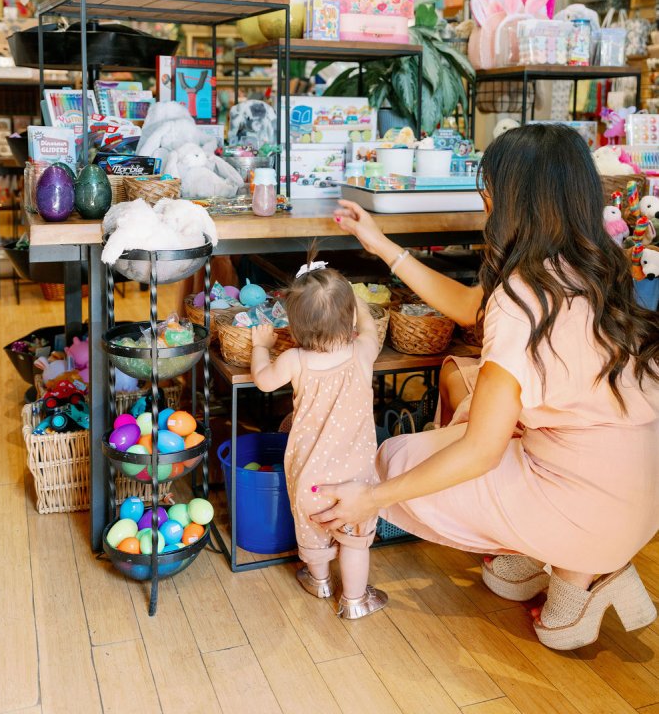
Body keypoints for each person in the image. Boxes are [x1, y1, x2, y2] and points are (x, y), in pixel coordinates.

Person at [313, 124, 659, 650]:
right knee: (474, 395)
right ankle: (571, 563)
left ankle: (580, 567)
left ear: (510, 199)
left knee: (396, 460)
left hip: (588, 504)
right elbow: (474, 308)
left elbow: (479, 451)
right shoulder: (592, 265)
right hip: (640, 492)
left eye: (490, 191)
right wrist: (381, 245)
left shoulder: (521, 298)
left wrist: (372, 499)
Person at [250, 250, 388, 619]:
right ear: (349, 320)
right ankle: (355, 601)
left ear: (295, 327)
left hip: (310, 479)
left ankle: (321, 581)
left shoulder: (295, 359)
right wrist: (357, 303)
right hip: (358, 478)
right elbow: (372, 328)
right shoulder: (362, 351)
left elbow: (263, 382)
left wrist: (260, 348)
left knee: (314, 534)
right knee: (355, 541)